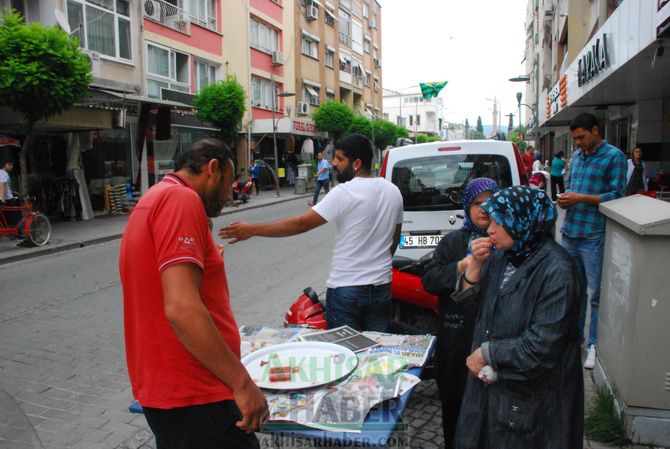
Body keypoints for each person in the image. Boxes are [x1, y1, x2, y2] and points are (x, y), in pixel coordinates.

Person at [119, 139, 268, 449]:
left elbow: (165, 284)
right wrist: (242, 383)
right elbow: (182, 308)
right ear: (212, 169)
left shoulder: (155, 197)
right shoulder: (180, 200)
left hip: (172, 391)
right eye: (228, 182)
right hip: (196, 393)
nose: (229, 195)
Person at [219, 134, 403, 331]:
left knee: (343, 352)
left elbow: (301, 224)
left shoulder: (345, 192)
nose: (333, 163)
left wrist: (253, 229)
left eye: (340, 159)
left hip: (347, 289)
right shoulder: (393, 191)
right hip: (381, 288)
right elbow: (394, 238)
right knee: (374, 352)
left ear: (356, 163)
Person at [452, 186, 584, 449]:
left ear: (524, 220)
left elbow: (540, 349)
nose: (490, 229)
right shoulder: (503, 256)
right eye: (491, 220)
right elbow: (473, 312)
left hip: (533, 404)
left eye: (500, 221)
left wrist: (487, 353)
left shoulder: (558, 273)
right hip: (489, 396)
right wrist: (475, 268)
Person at [421, 178, 500, 449]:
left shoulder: (504, 239)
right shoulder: (454, 241)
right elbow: (429, 280)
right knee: (453, 407)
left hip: (492, 339)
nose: (484, 209)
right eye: (477, 203)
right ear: (467, 206)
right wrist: (462, 265)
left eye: (490, 202)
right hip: (455, 338)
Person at [558, 112, 626, 370]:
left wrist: (580, 198)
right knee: (572, 290)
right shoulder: (577, 156)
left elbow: (617, 196)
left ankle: (594, 344)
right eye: (574, 138)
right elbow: (572, 187)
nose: (577, 142)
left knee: (595, 293)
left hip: (593, 235)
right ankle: (572, 340)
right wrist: (566, 199)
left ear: (595, 131)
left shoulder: (614, 157)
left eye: (581, 137)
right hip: (570, 231)